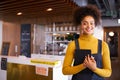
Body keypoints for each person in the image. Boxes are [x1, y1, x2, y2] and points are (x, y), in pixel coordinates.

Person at [62, 5, 112, 80]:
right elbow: (65, 70)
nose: (89, 26)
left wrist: (94, 69)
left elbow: (108, 72)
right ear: (80, 25)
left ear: (95, 25)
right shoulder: (73, 45)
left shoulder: (103, 45)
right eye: (85, 23)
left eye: (91, 23)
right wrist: (83, 65)